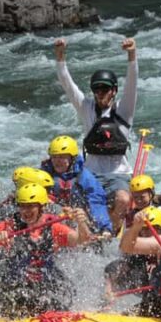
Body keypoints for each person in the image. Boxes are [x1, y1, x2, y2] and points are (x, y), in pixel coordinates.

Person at [54, 36, 138, 232]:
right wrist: (60, 56)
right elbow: (67, 84)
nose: (100, 93)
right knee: (74, 204)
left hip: (118, 174)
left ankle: (110, 234)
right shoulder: (86, 108)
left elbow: (133, 84)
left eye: (105, 89)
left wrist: (132, 54)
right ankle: (85, 235)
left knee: (123, 199)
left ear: (114, 91)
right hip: (91, 172)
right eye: (97, 89)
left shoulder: (124, 110)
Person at [0, 183, 93, 318]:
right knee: (16, 294)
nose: (25, 211)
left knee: (62, 291)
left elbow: (82, 241)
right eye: (22, 206)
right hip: (14, 285)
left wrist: (82, 223)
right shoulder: (9, 226)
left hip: (43, 285)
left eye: (30, 206)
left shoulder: (53, 227)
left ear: (42, 207)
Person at [40, 135, 112, 235]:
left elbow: (96, 203)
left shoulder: (85, 177)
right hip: (53, 216)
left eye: (62, 157)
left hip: (79, 217)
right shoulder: (43, 174)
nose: (57, 161)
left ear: (72, 159)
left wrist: (105, 228)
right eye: (54, 157)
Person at [0, 167, 56, 240]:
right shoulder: (9, 211)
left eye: (48, 190)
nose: (49, 195)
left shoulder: (50, 206)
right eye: (46, 190)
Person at [104, 205, 161, 299]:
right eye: (143, 229)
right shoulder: (138, 248)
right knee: (114, 267)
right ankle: (110, 296)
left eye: (149, 229)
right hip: (144, 287)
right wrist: (135, 227)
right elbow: (124, 247)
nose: (145, 233)